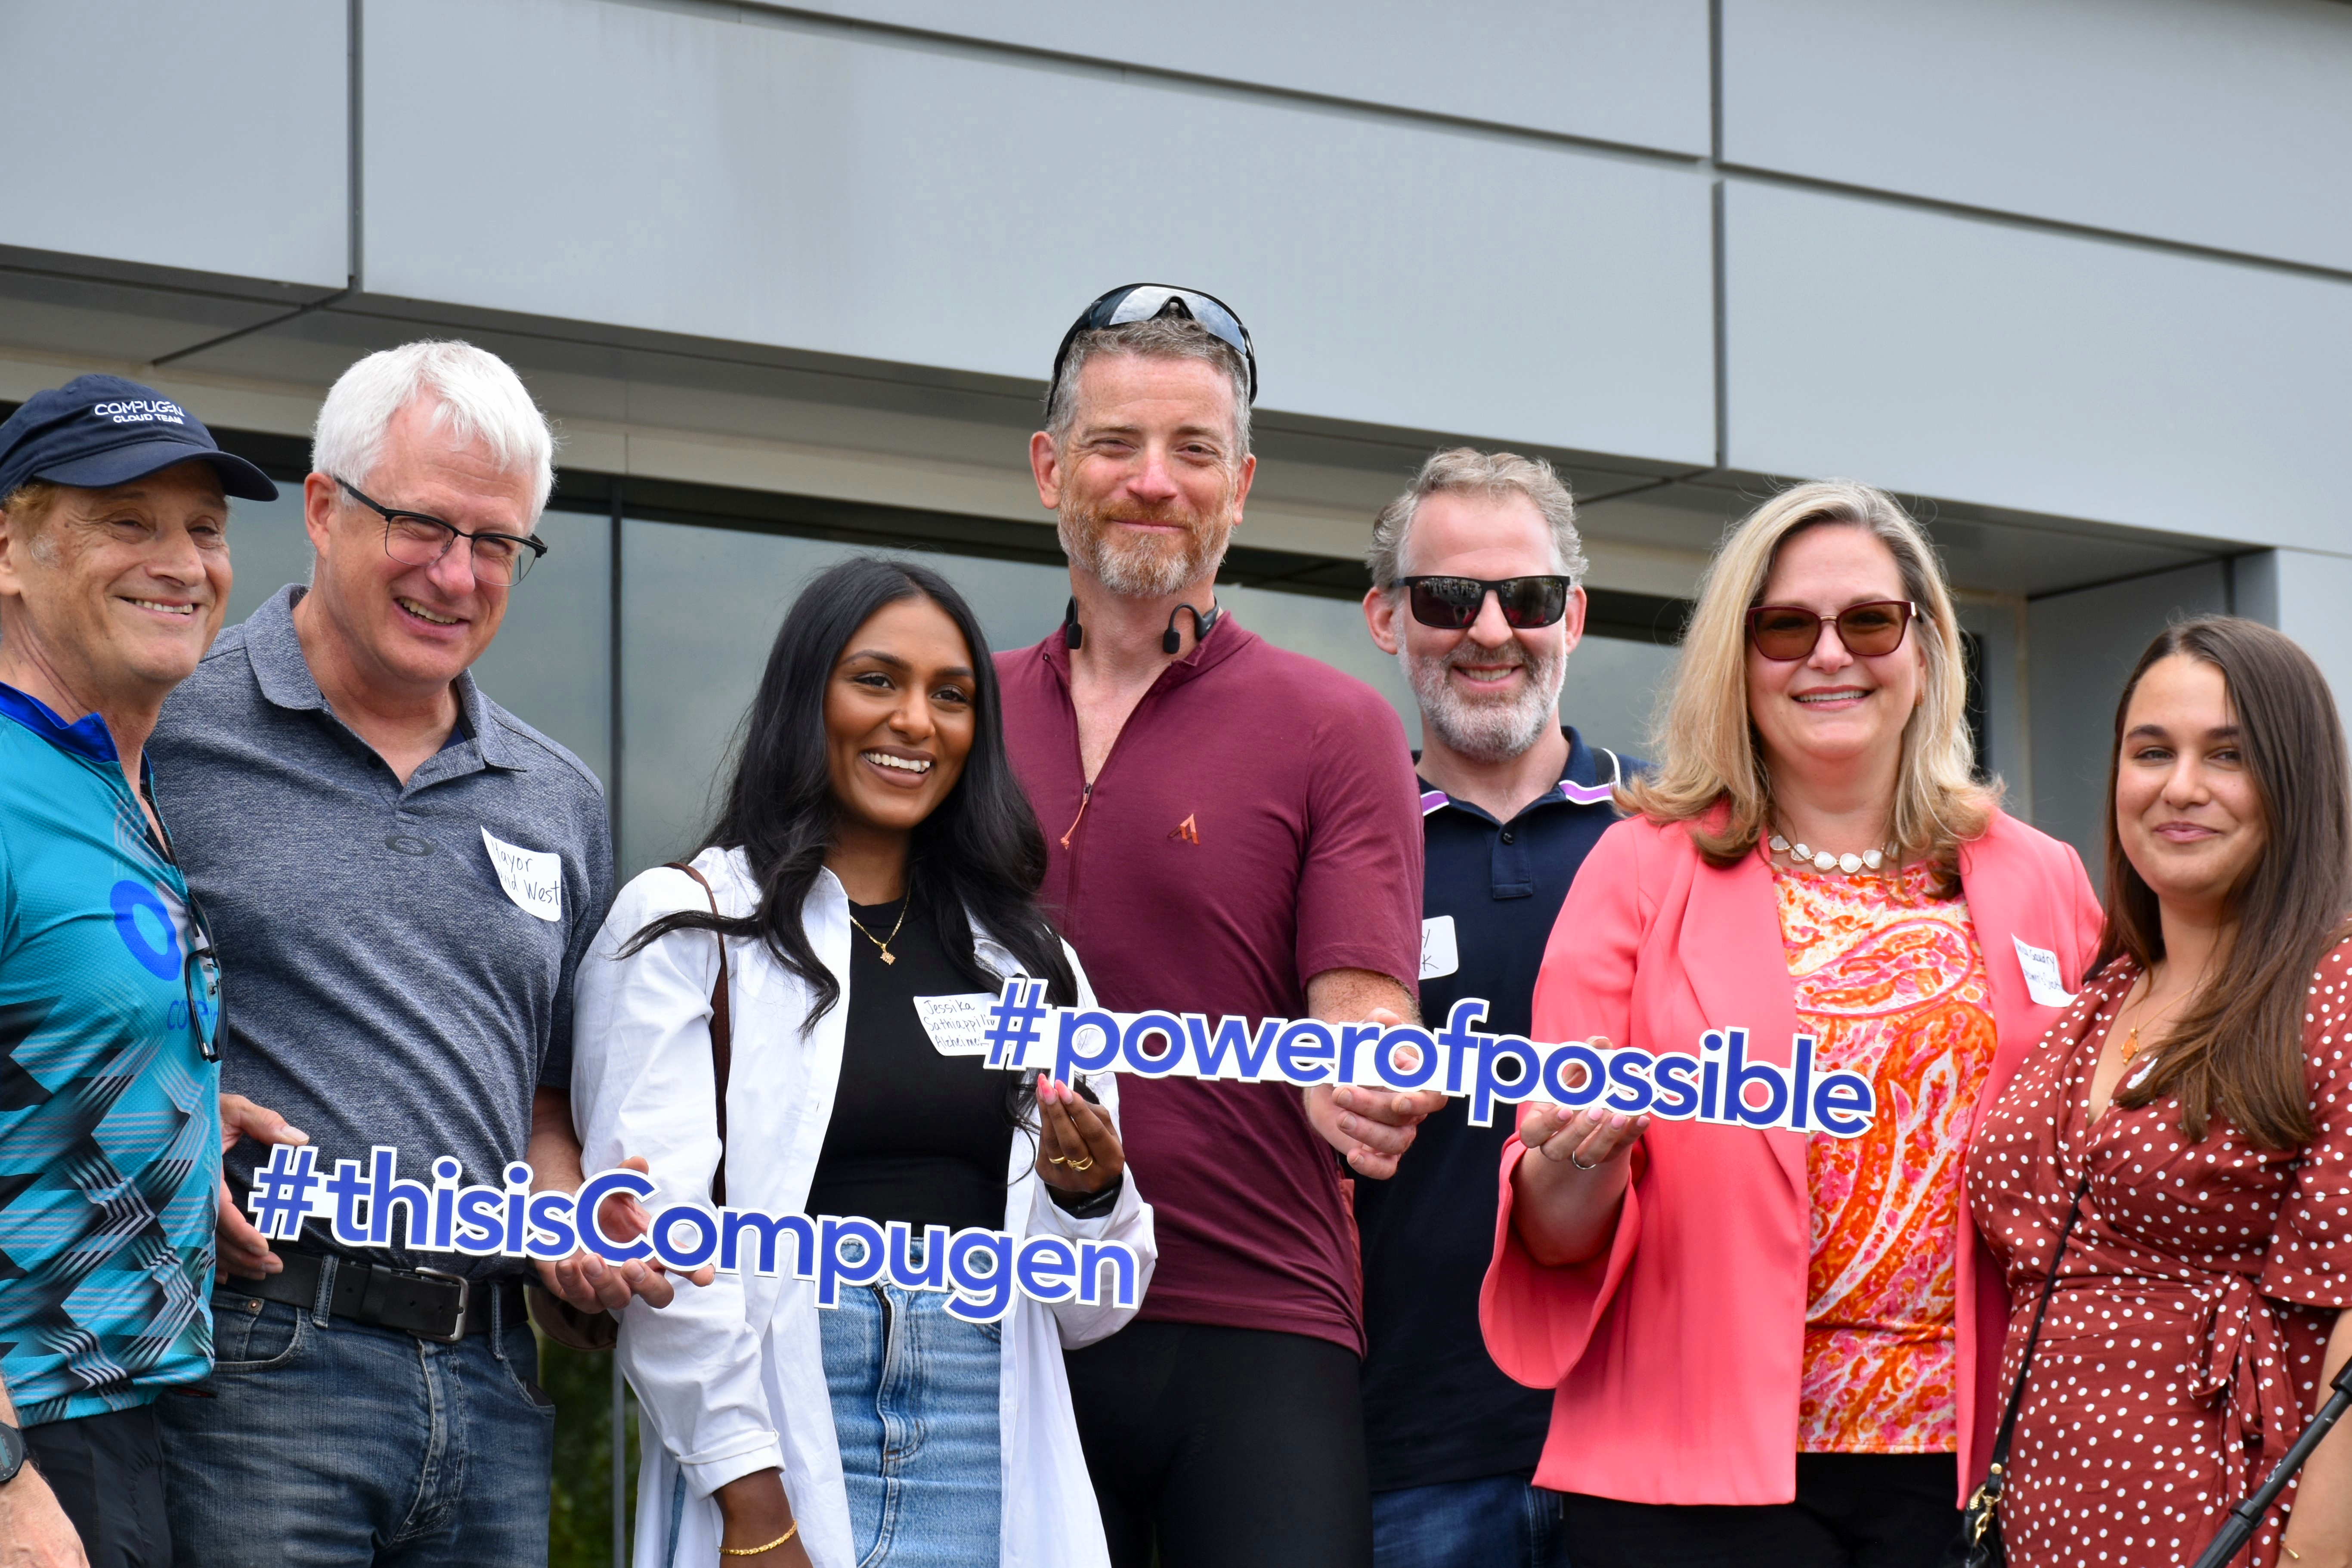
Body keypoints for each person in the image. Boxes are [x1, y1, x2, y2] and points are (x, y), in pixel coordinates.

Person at [1487, 479, 2105, 1567]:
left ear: (1923, 649)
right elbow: (1555, 1226)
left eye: (1868, 621)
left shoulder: (2042, 876)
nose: (1829, 655)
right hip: (1690, 1482)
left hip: (1975, 1472)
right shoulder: (1637, 871)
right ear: (1739, 656)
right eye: (1785, 627)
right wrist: (1571, 1166)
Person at [145, 340, 660, 1566]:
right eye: (426, 526)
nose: (457, 574)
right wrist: (181, 1109)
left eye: (497, 545)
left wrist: (572, 1206)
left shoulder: (558, 798)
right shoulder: (169, 725)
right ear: (324, 509)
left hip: (491, 1372)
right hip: (258, 1356)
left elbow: (542, 1091)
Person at [573, 555, 1154, 1566]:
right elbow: (658, 1249)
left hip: (984, 1425)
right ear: (808, 698)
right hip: (782, 1429)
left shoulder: (1028, 963)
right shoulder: (687, 925)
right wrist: (754, 1508)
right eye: (876, 680)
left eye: (951, 696)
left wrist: (1090, 1194)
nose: (915, 722)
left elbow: (1095, 1307)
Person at [997, 282, 1438, 1568]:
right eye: (1116, 444)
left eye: (1194, 450)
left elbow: (1362, 996)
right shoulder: (955, 717)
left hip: (1258, 1317)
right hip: (1003, 1315)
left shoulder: (1335, 724)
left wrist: (1370, 1074)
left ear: (1240, 486)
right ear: (1048, 469)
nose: (1154, 481)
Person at [1968, 617, 2352, 1568]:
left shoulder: (2334, 989)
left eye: (2226, 755)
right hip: (2037, 1533)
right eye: (2151, 752)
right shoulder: (2097, 996)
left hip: (2245, 1537)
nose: (2178, 787)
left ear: (2293, 785)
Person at [0, 377, 294, 1568]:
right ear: (9, 551)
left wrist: (154, 1121)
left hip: (130, 1428)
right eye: (128, 521)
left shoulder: (105, 784)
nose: (183, 562)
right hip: (38, 1443)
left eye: (206, 530)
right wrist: (10, 1492)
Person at [1353, 447, 1620, 1568]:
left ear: (1576, 614)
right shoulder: (1336, 852)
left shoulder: (1677, 837)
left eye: (1530, 596)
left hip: (1646, 1450)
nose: (1492, 629)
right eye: (1449, 597)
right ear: (1385, 617)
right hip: (1406, 1456)